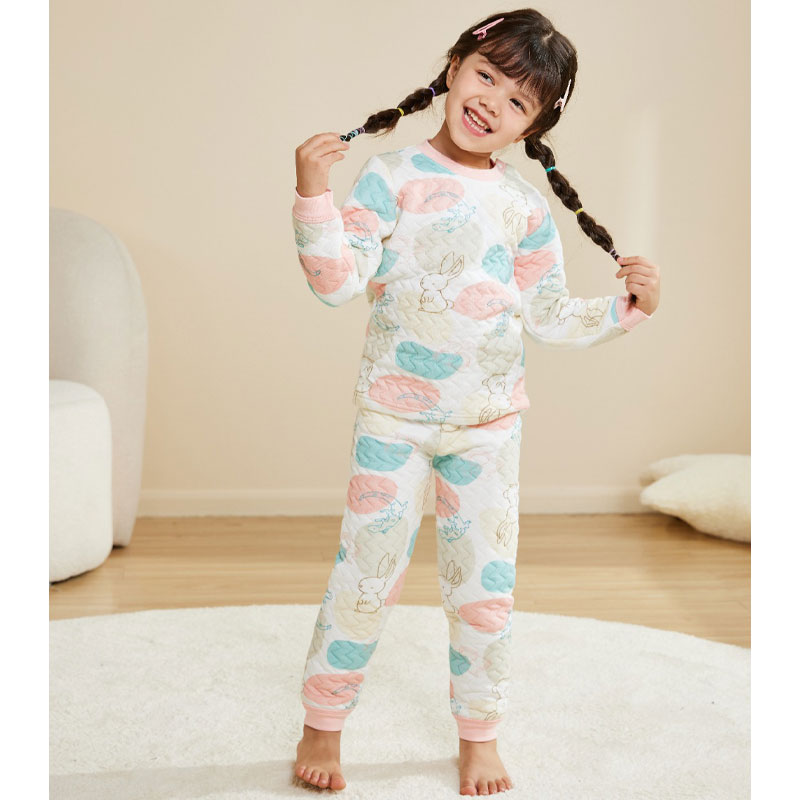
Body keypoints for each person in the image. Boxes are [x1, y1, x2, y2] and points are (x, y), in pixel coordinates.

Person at [290, 8, 661, 795]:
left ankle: (480, 732)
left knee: (484, 592)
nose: (493, 101)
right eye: (487, 75)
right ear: (455, 66)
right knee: (365, 576)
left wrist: (626, 308)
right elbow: (337, 283)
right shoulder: (390, 175)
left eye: (518, 100)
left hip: (487, 428)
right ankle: (322, 723)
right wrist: (313, 193)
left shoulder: (524, 207)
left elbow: (548, 313)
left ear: (534, 126)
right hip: (393, 422)